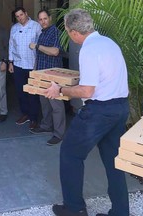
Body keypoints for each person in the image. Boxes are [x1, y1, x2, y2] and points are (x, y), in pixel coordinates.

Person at [45, 9, 130, 216]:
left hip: (99, 112)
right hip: (120, 108)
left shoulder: (89, 49)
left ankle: (74, 209)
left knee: (70, 153)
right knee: (114, 162)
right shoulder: (109, 43)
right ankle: (121, 212)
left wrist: (60, 90)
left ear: (74, 32)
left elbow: (87, 90)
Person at [29, 9, 66, 145]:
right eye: (40, 19)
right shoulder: (42, 33)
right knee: (44, 103)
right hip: (41, 74)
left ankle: (58, 133)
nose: (43, 21)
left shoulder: (55, 31)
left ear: (50, 18)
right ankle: (46, 126)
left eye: (45, 18)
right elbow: (39, 55)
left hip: (53, 76)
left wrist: (38, 46)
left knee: (56, 105)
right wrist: (34, 72)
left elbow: (55, 51)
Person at [8, 7, 42, 129]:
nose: (20, 18)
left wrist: (39, 65)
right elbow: (11, 46)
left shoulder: (36, 26)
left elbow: (41, 46)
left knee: (32, 93)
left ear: (26, 14)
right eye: (17, 16)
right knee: (20, 92)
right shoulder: (14, 28)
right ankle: (25, 114)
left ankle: (34, 118)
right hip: (18, 65)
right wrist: (10, 62)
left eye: (21, 15)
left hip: (32, 65)